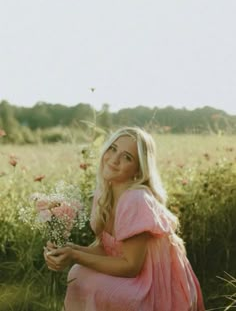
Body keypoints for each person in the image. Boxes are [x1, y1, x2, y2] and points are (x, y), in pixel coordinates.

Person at [44, 126, 205, 311]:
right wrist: (69, 250)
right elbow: (108, 250)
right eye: (112, 149)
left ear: (138, 170)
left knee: (84, 278)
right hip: (133, 273)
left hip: (152, 285)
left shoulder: (135, 199)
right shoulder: (104, 192)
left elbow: (131, 267)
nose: (114, 159)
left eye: (127, 157)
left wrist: (75, 256)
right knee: (78, 273)